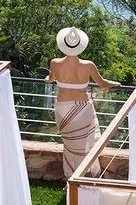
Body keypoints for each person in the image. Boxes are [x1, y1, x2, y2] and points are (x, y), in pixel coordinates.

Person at [47, 27, 119, 178]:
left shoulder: (55, 63)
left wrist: (46, 79)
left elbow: (51, 79)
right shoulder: (88, 65)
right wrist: (116, 84)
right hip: (82, 109)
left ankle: (71, 178)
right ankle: (81, 176)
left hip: (63, 109)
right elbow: (102, 83)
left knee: (69, 145)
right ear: (80, 46)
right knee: (83, 145)